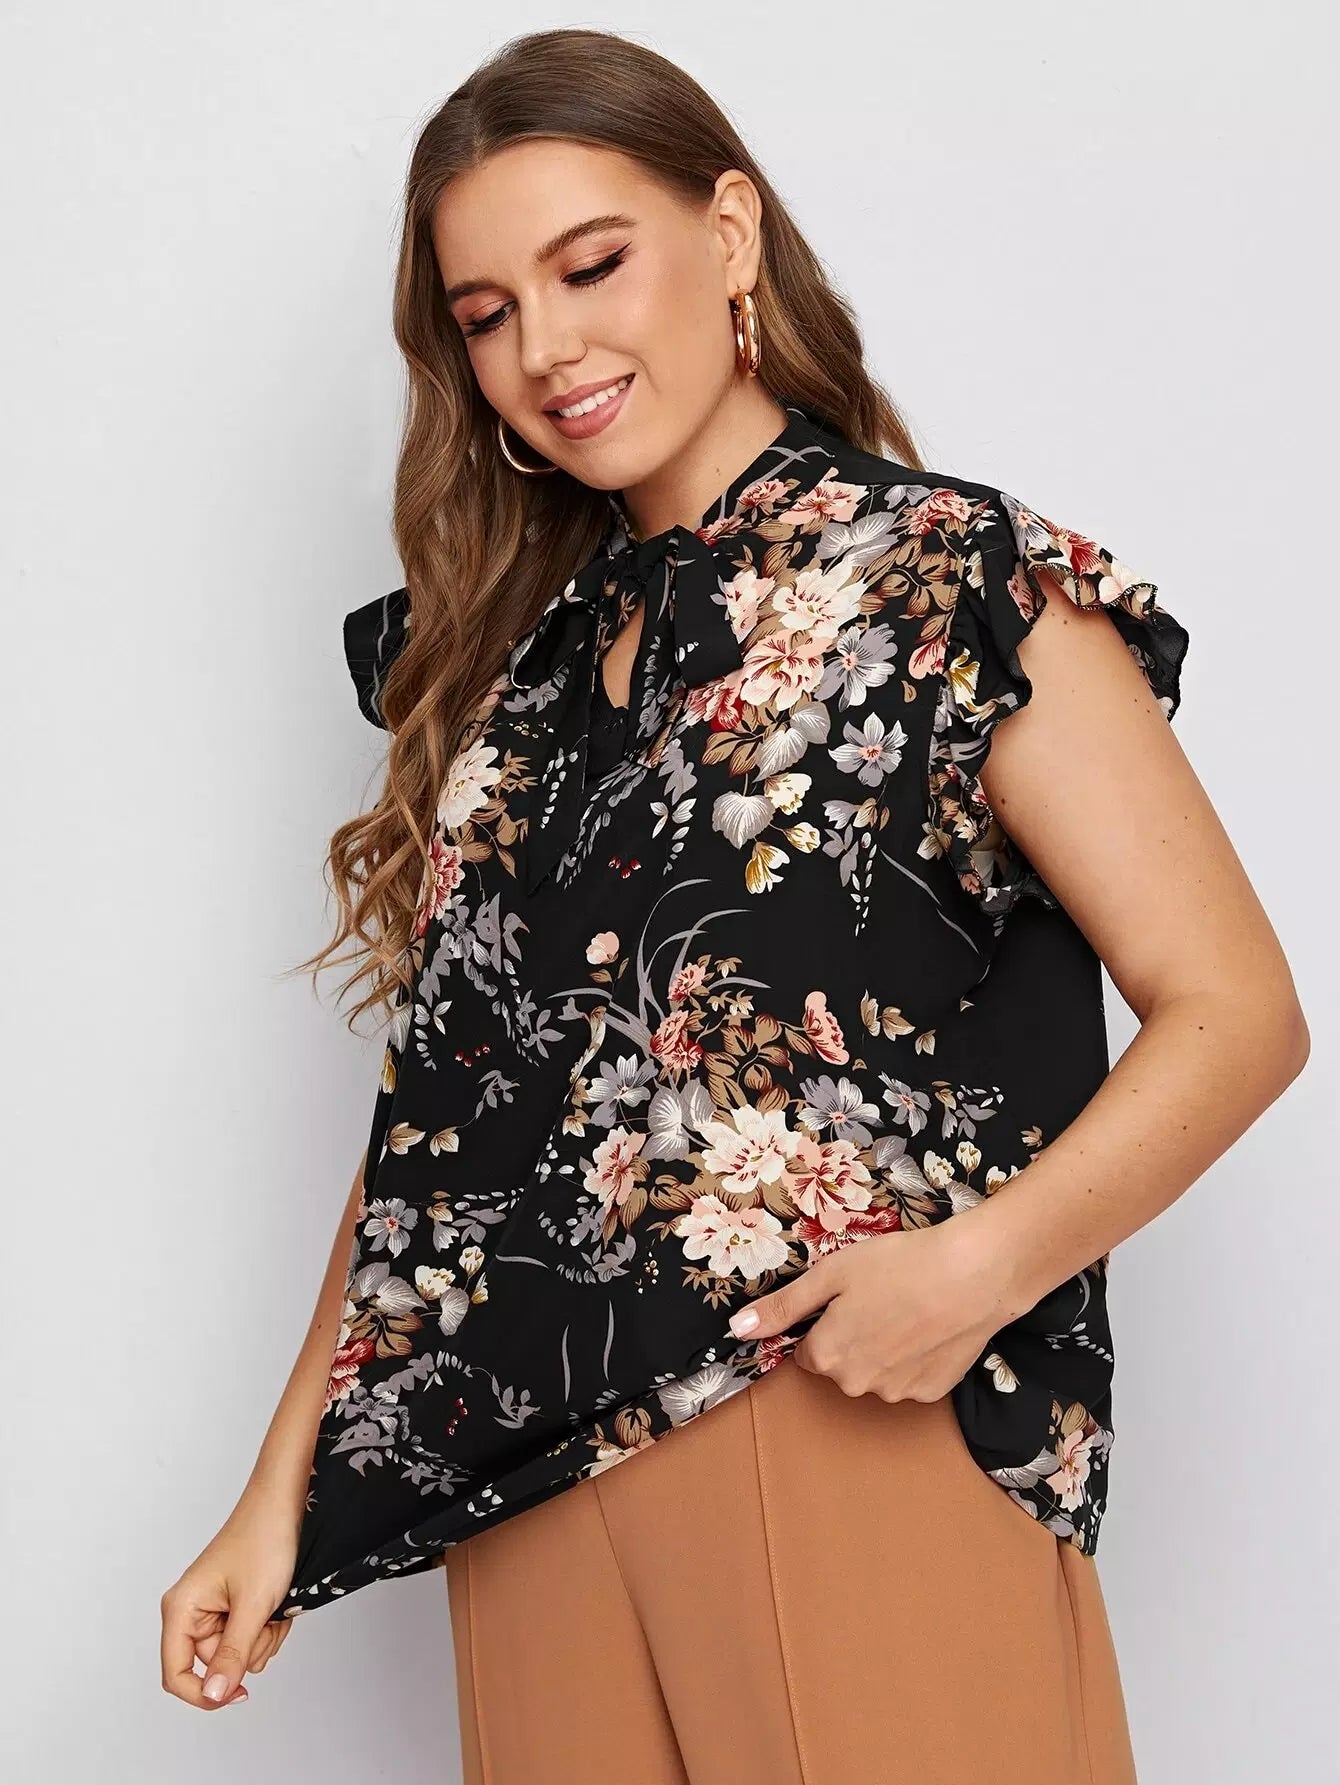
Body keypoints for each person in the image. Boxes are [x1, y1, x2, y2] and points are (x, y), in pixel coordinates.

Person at [159, 26, 1310, 1783]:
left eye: (590, 265)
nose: (547, 349)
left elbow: (1239, 1008)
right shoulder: (516, 680)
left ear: (730, 233)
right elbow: (447, 1127)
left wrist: (974, 1272)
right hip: (521, 1479)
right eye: (488, 313)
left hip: (844, 1420)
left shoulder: (947, 579)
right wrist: (276, 1492)